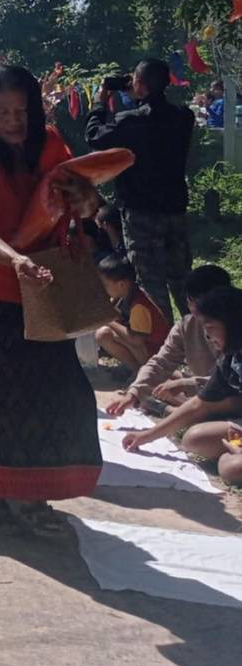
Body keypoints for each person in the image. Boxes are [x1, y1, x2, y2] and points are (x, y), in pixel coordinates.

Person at [0, 64, 103, 534]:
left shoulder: (51, 143)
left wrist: (86, 201)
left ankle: (34, 496)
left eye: (21, 111)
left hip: (43, 278)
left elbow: (84, 201)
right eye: (2, 113)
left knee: (51, 389)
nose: (14, 121)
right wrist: (13, 259)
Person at [86, 57, 195, 319]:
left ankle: (162, 343)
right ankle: (199, 338)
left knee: (150, 281)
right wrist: (139, 92)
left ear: (139, 84)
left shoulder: (129, 121)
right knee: (182, 279)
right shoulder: (184, 117)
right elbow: (155, 116)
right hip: (175, 209)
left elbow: (94, 137)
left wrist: (101, 102)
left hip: (141, 212)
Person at [122, 285, 242, 485]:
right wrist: (145, 436)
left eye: (211, 328)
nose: (207, 337)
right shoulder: (232, 359)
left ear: (232, 324)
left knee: (230, 468)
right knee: (193, 440)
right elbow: (199, 404)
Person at [107, 264, 229, 415]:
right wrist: (134, 393)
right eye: (191, 301)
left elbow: (230, 380)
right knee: (159, 385)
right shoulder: (188, 324)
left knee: (196, 433)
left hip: (228, 395)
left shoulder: (234, 328)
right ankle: (180, 410)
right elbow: (161, 362)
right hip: (204, 387)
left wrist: (186, 384)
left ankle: (175, 412)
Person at [92, 255, 173, 372]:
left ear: (121, 284)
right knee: (103, 334)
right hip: (147, 347)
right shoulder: (125, 294)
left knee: (105, 334)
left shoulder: (138, 305)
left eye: (106, 285)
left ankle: (144, 373)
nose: (104, 289)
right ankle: (136, 370)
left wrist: (108, 319)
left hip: (158, 351)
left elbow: (136, 340)